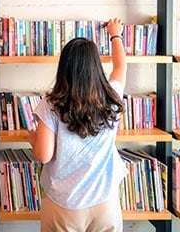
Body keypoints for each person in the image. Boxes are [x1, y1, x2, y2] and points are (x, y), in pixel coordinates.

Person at [28, 17, 127, 232]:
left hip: (64, 205)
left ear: (64, 68)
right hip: (105, 202)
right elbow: (121, 66)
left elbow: (43, 155)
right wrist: (115, 35)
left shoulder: (51, 104)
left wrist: (32, 138)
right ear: (96, 66)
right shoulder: (112, 97)